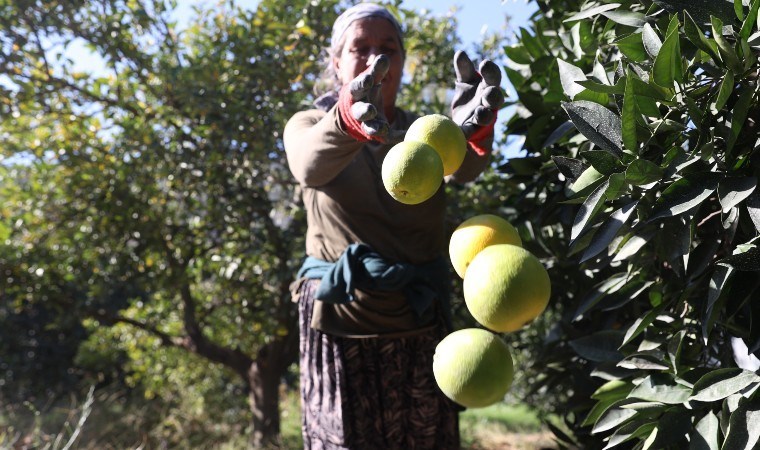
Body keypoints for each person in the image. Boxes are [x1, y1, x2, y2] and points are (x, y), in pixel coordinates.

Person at [283, 3, 504, 449]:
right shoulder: (308, 122)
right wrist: (347, 120)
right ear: (337, 61)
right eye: (359, 48)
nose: (372, 59)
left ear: (402, 62)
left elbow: (462, 172)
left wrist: (468, 135)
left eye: (387, 49)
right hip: (344, 319)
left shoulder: (420, 130)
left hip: (419, 323)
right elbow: (308, 164)